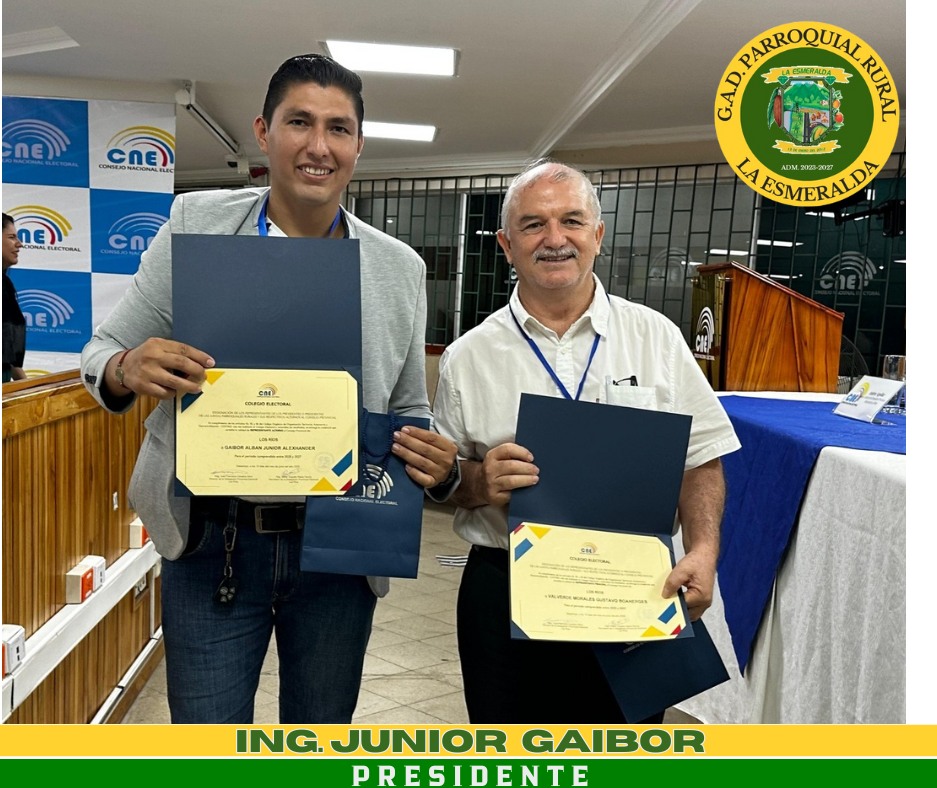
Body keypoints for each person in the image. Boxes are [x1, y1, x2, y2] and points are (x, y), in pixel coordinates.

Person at [80, 54, 458, 724]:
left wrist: (429, 453)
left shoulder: (397, 268)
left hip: (341, 546)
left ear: (359, 145)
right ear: (264, 131)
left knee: (317, 744)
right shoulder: (195, 225)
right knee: (210, 750)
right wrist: (127, 366)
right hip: (213, 540)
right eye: (299, 122)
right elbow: (102, 353)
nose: (319, 146)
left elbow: (407, 407)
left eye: (338, 129)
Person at [433, 160, 741, 723]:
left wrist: (703, 550)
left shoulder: (657, 338)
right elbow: (446, 481)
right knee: (511, 755)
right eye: (533, 224)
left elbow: (701, 460)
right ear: (506, 245)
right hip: (506, 588)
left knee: (623, 751)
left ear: (597, 235)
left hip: (633, 585)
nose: (555, 239)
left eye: (571, 221)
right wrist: (478, 480)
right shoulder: (467, 356)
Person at [3, 213, 27, 383]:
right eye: (11, 237)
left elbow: (6, 351)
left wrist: (27, 387)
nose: (19, 244)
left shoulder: (5, 285)